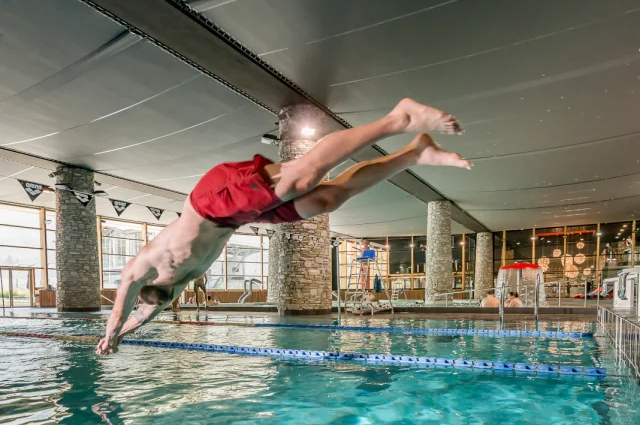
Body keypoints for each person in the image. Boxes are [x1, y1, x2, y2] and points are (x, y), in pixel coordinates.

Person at [96, 98, 469, 355]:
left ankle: (399, 119)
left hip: (212, 201)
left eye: (143, 302)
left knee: (301, 178)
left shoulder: (147, 265)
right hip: (238, 217)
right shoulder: (175, 286)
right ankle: (415, 152)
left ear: (147, 286)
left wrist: (111, 330)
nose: (147, 307)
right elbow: (145, 312)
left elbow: (125, 293)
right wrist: (123, 337)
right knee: (327, 200)